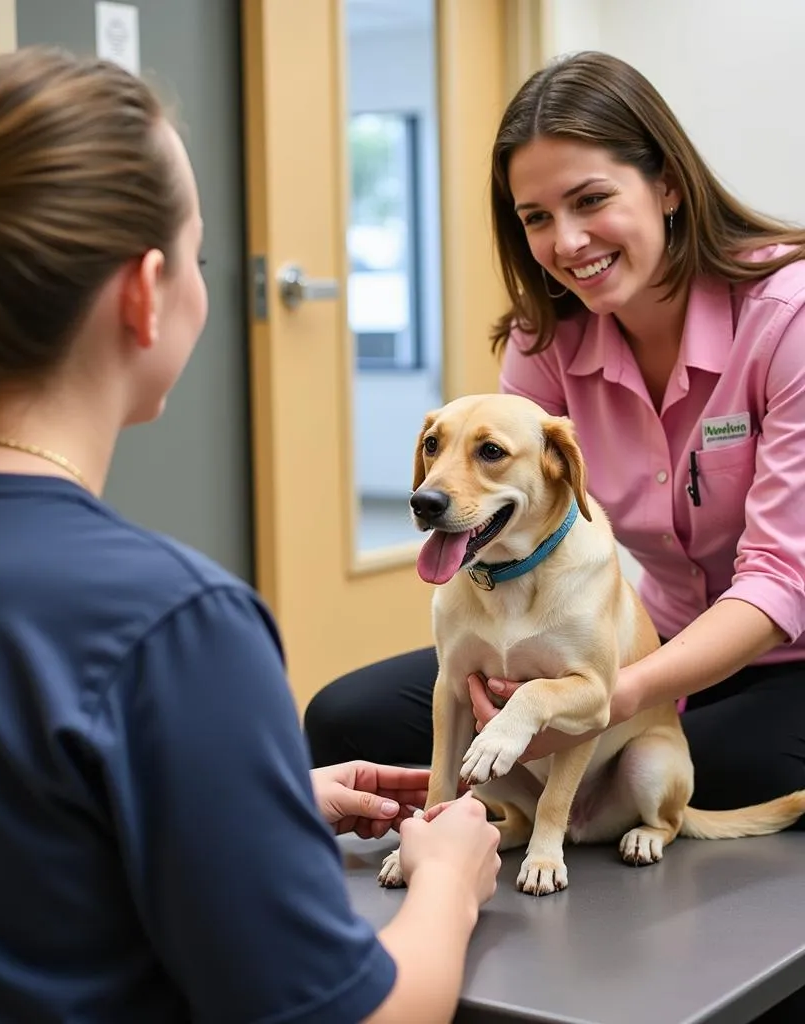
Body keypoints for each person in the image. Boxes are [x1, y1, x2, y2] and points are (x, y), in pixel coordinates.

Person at [0, 47, 502, 1024]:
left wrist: (248, 800)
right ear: (144, 289)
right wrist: (448, 882)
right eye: (200, 257)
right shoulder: (170, 625)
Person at [304, 48, 805, 1022]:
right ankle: (495, 944)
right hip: (638, 639)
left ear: (664, 183)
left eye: (589, 201)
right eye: (535, 217)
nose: (566, 241)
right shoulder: (542, 339)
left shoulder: (784, 317)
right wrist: (508, 672)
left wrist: (600, 697)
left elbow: (781, 576)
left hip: (782, 653)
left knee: (713, 770)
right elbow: (506, 516)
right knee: (349, 715)